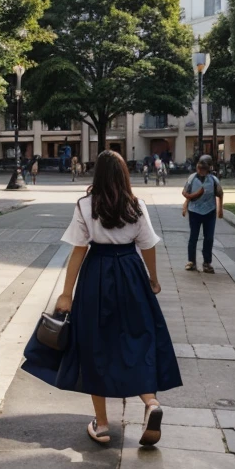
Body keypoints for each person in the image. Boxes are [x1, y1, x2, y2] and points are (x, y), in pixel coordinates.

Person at [22, 150, 182, 447]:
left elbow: (78, 251)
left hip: (97, 276)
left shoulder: (86, 205)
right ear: (124, 175)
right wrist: (153, 279)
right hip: (132, 276)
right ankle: (150, 404)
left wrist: (66, 293)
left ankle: (103, 424)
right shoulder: (137, 206)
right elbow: (148, 246)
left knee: (95, 346)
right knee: (136, 341)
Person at [182, 156, 224, 273]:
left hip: (209, 211)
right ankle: (191, 261)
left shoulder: (213, 180)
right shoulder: (192, 178)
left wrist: (220, 209)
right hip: (195, 211)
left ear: (208, 169)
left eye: (203, 168)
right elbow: (187, 193)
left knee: (209, 237)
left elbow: (220, 194)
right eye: (199, 168)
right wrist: (185, 205)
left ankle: (207, 262)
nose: (201, 170)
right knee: (193, 237)